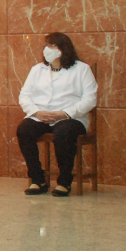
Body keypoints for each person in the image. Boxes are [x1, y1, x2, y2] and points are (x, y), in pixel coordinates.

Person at [17, 32, 97, 197]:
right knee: (24, 130)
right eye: (46, 46)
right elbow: (24, 96)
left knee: (63, 133)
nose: (47, 49)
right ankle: (38, 179)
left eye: (52, 46)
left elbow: (90, 99)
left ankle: (64, 181)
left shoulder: (82, 69)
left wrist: (65, 114)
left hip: (71, 118)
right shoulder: (37, 70)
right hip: (41, 116)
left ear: (63, 48)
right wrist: (36, 112)